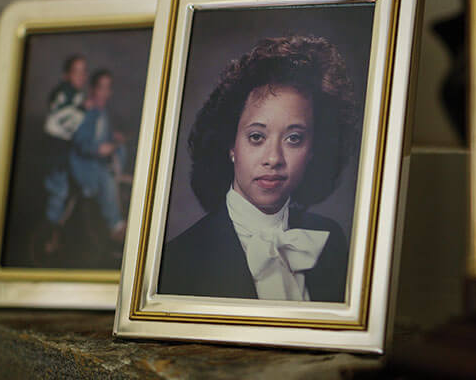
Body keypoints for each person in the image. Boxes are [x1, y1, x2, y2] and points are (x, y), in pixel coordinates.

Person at [159, 35, 359, 302]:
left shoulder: (330, 240)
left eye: (294, 138)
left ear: (313, 150)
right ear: (231, 145)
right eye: (256, 137)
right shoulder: (178, 260)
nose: (273, 158)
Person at [70, 69, 127, 242]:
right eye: (100, 88)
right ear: (92, 90)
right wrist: (98, 149)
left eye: (107, 88)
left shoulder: (103, 113)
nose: (104, 93)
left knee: (121, 150)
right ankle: (115, 225)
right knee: (106, 179)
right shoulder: (86, 112)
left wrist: (113, 138)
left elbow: (103, 135)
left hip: (99, 162)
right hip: (84, 164)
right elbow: (81, 142)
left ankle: (118, 184)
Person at [42, 54, 88, 251]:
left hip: (71, 155)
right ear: (66, 75)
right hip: (56, 155)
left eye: (83, 72)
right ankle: (49, 235)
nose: (81, 76)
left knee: (75, 192)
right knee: (58, 193)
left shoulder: (80, 97)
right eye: (76, 72)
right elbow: (54, 124)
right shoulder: (62, 95)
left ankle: (64, 233)